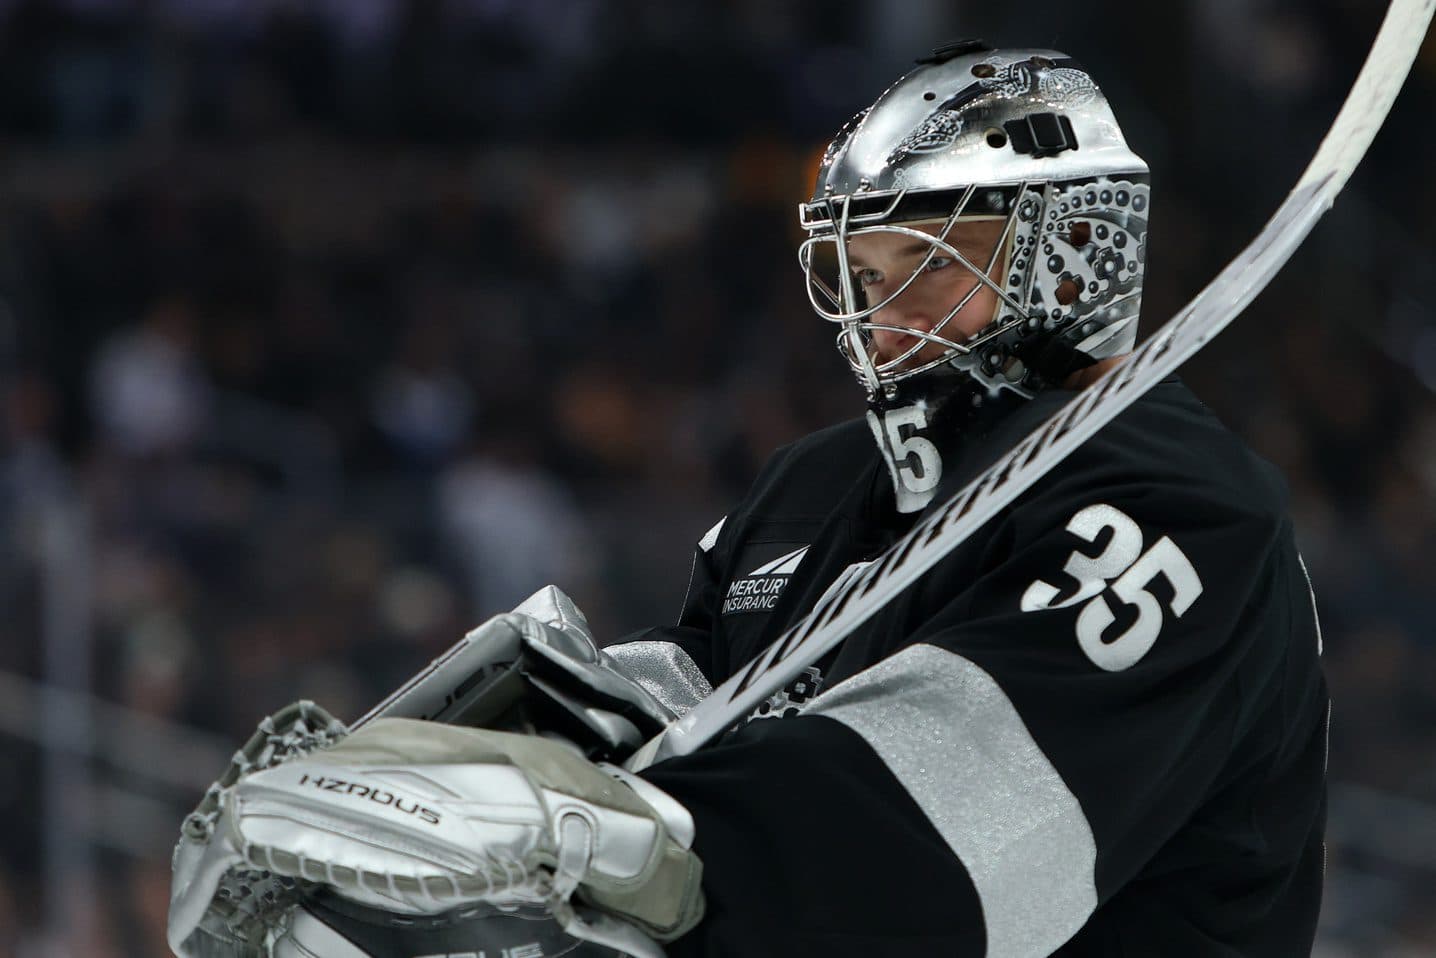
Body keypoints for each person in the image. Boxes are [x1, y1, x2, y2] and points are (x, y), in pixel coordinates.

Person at [167, 42, 1328, 958]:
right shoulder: (818, 484)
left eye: (927, 266)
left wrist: (591, 833)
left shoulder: (1184, 509)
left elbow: (938, 859)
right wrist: (443, 780)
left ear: (1068, 255)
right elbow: (684, 721)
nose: (882, 323)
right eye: (863, 279)